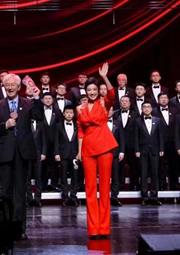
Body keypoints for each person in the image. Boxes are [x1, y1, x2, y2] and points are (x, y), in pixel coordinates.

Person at [0, 73, 43, 240]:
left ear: (19, 87)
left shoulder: (28, 103)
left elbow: (39, 116)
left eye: (13, 85)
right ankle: (6, 228)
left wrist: (37, 98)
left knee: (20, 192)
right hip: (5, 153)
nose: (10, 87)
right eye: (7, 85)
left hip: (23, 153)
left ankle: (19, 229)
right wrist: (5, 125)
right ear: (4, 87)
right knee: (5, 192)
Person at [76, 63, 117, 239]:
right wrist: (79, 152)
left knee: (105, 188)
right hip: (88, 149)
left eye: (94, 89)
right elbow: (80, 131)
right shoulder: (80, 109)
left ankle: (104, 228)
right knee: (90, 189)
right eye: (89, 90)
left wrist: (105, 77)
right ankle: (93, 229)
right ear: (85, 91)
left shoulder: (103, 102)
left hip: (105, 146)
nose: (92, 92)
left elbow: (112, 94)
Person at [134, 102, 164, 206]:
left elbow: (160, 136)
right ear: (141, 109)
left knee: (155, 174)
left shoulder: (158, 120)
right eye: (144, 107)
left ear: (151, 109)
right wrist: (137, 150)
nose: (146, 109)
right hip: (143, 151)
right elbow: (135, 137)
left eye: (148, 107)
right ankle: (145, 197)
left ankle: (154, 196)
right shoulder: (137, 121)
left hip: (155, 150)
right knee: (143, 174)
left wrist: (161, 148)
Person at [55, 105, 80, 207]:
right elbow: (56, 141)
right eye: (67, 113)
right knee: (63, 176)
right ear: (64, 114)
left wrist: (80, 153)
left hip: (74, 154)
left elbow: (80, 140)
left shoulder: (78, 125)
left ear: (74, 114)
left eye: (71, 113)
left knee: (75, 176)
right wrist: (56, 153)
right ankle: (65, 197)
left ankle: (73, 196)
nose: (69, 115)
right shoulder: (58, 126)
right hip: (63, 154)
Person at [108, 108, 125, 207]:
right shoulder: (99, 123)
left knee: (115, 176)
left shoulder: (118, 123)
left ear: (113, 112)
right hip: (103, 153)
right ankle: (104, 197)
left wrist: (122, 151)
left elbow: (122, 138)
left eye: (110, 110)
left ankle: (114, 197)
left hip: (115, 153)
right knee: (104, 177)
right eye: (106, 110)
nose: (108, 112)